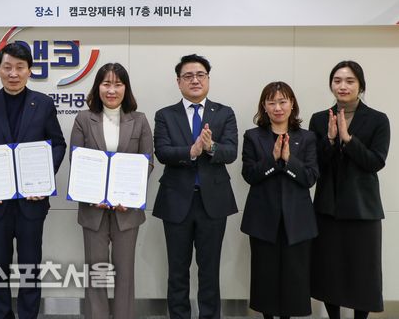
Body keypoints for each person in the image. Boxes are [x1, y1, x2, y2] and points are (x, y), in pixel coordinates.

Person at [0, 42, 66, 319]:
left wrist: (45, 180)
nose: (13, 73)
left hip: (31, 201)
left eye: (20, 67)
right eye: (7, 67)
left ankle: (28, 314)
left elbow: (58, 144)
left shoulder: (43, 103)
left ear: (29, 70)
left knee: (30, 265)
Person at [152, 53, 238, 319]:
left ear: (208, 79)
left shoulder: (224, 113)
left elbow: (231, 152)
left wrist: (211, 147)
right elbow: (162, 152)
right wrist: (191, 151)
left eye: (200, 75)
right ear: (178, 82)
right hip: (176, 201)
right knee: (177, 270)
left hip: (213, 202)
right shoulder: (165, 115)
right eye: (188, 76)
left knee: (209, 270)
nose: (195, 80)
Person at [69, 63, 153, 319]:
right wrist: (94, 195)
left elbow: (147, 163)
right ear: (98, 87)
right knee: (96, 273)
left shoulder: (139, 120)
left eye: (118, 84)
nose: (111, 90)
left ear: (126, 88)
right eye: (106, 84)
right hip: (93, 209)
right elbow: (77, 161)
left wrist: (126, 194)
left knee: (125, 273)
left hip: (126, 210)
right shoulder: (84, 119)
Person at [309, 61, 390, 319]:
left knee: (363, 273)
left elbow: (375, 162)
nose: (342, 86)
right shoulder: (319, 119)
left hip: (363, 208)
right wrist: (331, 139)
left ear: (360, 85)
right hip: (328, 208)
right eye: (337, 81)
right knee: (329, 271)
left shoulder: (378, 119)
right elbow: (316, 164)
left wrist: (348, 139)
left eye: (349, 81)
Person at [240, 82, 318, 319]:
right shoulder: (253, 136)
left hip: (297, 219)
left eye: (282, 101)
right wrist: (273, 160)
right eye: (271, 102)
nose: (277, 107)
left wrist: (289, 160)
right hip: (263, 218)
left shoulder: (307, 137)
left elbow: (310, 177)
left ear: (292, 104)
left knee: (295, 277)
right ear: (264, 106)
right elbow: (249, 175)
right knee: (265, 276)